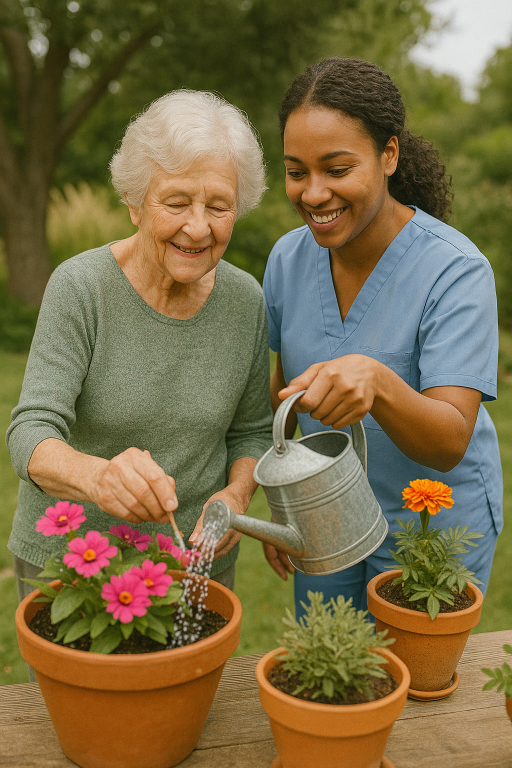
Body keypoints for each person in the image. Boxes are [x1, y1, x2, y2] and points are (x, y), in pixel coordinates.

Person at [7, 89, 273, 606]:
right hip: (72, 564)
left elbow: (251, 431)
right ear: (134, 201)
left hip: (195, 559)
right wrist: (100, 477)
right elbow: (30, 432)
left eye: (219, 206)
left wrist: (237, 495)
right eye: (176, 203)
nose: (198, 227)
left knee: (190, 687)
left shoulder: (246, 301)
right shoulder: (81, 288)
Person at [262, 57, 502, 618]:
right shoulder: (287, 260)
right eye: (297, 172)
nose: (313, 193)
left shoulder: (456, 270)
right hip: (326, 513)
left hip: (431, 525)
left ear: (388, 154)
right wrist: (283, 502)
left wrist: (377, 380)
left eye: (337, 169)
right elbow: (276, 398)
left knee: (418, 698)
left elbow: (448, 441)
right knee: (331, 674)